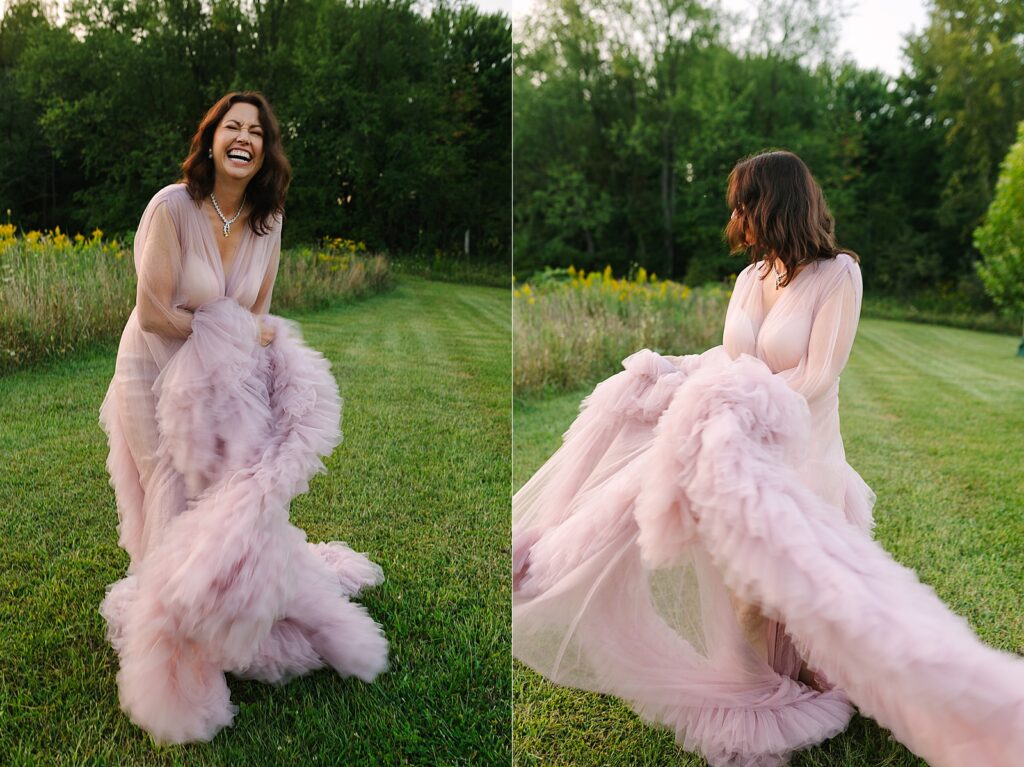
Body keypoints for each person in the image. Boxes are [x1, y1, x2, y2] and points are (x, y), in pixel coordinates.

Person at [512, 150, 1024, 767]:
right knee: (742, 589)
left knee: (791, 594)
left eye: (745, 204)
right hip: (737, 455)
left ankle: (820, 679)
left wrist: (729, 400)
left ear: (777, 204)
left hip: (802, 451)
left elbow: (816, 374)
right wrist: (681, 373)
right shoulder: (750, 277)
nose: (736, 217)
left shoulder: (839, 275)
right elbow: (735, 358)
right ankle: (760, 694)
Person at [98, 91, 388, 744]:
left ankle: (214, 609)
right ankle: (169, 646)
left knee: (228, 497)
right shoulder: (171, 209)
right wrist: (228, 332)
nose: (244, 137)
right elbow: (151, 313)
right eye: (232, 126)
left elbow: (257, 316)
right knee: (171, 490)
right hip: (152, 371)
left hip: (225, 388)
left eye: (256, 131)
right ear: (210, 141)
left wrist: (248, 353)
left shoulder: (268, 220)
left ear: (265, 150)